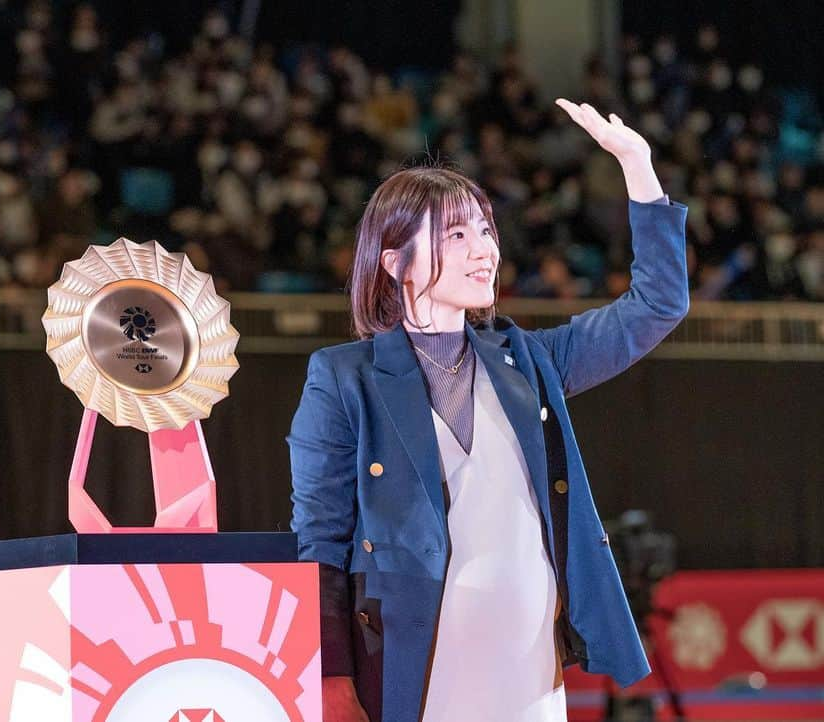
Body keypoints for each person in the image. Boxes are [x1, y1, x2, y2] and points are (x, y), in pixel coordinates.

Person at [287, 99, 689, 722]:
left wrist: (636, 163)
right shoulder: (342, 378)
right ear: (396, 262)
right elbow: (321, 543)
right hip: (410, 670)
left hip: (527, 672)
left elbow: (657, 305)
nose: (484, 251)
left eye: (485, 230)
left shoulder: (529, 360)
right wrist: (332, 678)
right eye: (455, 234)